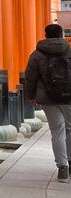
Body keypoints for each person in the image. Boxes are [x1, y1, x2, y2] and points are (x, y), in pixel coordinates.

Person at [24, 23, 71, 180]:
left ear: (45, 35)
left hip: (47, 98)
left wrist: (31, 96)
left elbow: (30, 78)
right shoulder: (69, 50)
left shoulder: (36, 54)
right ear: (61, 35)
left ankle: (62, 167)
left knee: (57, 130)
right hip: (68, 96)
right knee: (70, 129)